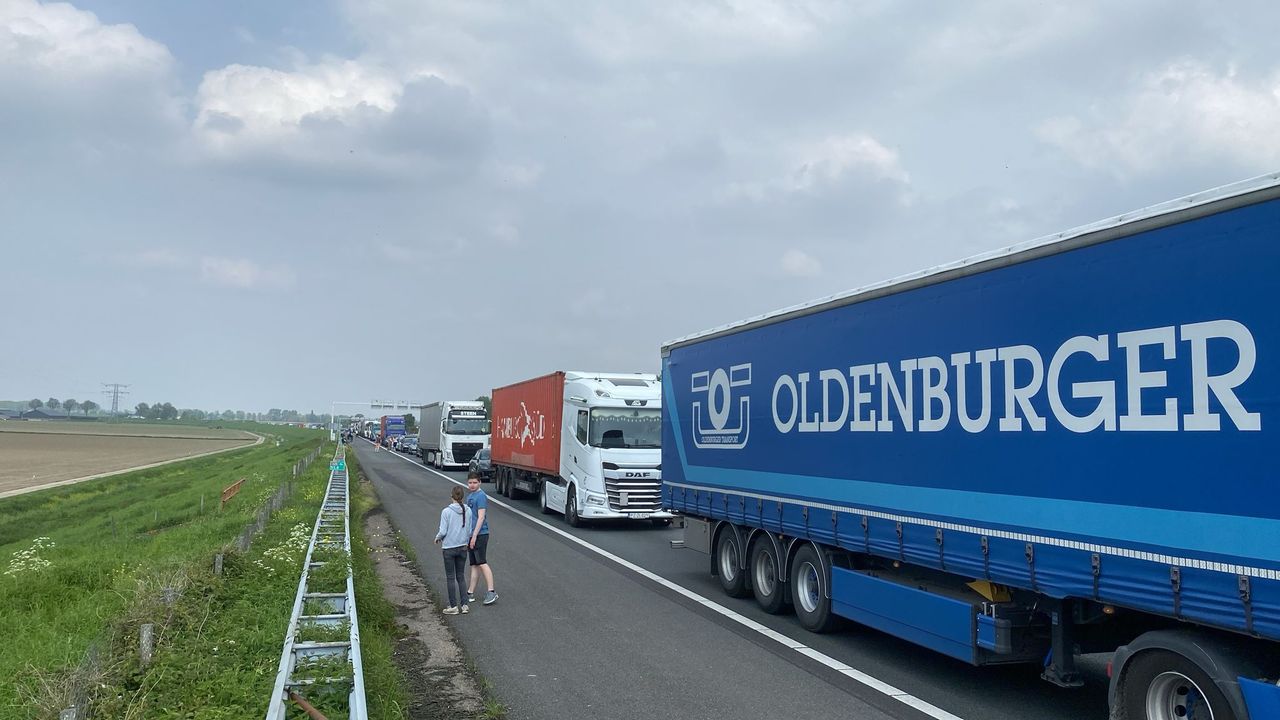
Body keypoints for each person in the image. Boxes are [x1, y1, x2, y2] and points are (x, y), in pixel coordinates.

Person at [434, 485, 473, 615]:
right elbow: (469, 530)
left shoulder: (446, 511)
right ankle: (465, 604)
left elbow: (443, 531)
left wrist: (438, 538)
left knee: (450, 577)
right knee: (461, 576)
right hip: (463, 547)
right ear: (462, 497)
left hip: (449, 548)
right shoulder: (468, 510)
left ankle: (453, 606)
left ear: (451, 496)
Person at [465, 471, 498, 605]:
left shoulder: (481, 496)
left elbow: (481, 517)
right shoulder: (470, 496)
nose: (472, 485)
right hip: (471, 534)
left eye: (475, 483)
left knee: (482, 562)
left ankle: (491, 591)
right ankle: (470, 592)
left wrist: (474, 536)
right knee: (474, 564)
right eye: (470, 483)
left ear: (480, 482)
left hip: (480, 534)